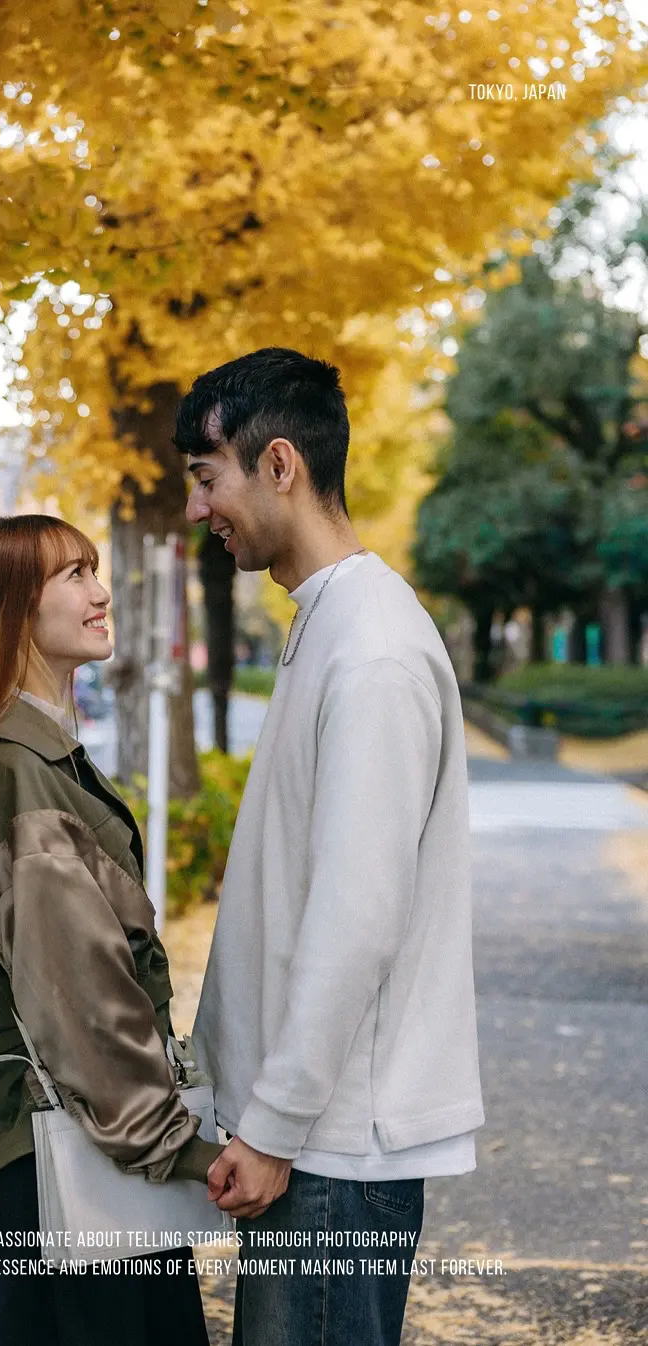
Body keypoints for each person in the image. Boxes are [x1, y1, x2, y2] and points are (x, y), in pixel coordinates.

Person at [176, 348, 485, 1346]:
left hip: (335, 1150)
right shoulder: (332, 622)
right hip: (316, 1141)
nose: (196, 509)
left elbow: (356, 915)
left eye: (205, 477)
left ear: (279, 465)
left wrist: (272, 1124)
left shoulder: (375, 649)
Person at [0, 514, 220, 1346]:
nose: (99, 592)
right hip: (59, 1164)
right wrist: (179, 1147)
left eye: (94, 570)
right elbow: (80, 998)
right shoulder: (15, 769)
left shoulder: (35, 756)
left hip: (63, 1152)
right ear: (13, 612)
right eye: (74, 576)